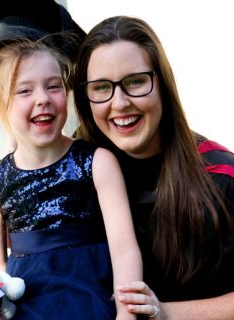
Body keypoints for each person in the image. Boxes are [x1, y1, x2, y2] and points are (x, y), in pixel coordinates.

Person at [0, 1, 143, 319]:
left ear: (68, 90)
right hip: (27, 308)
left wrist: (127, 314)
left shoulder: (97, 163)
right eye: (24, 91)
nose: (42, 98)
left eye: (53, 86)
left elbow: (125, 250)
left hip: (91, 303)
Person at [72, 15, 234, 320]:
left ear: (162, 82)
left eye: (135, 81)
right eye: (101, 87)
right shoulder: (76, 175)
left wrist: (164, 312)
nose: (119, 103)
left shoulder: (220, 178)